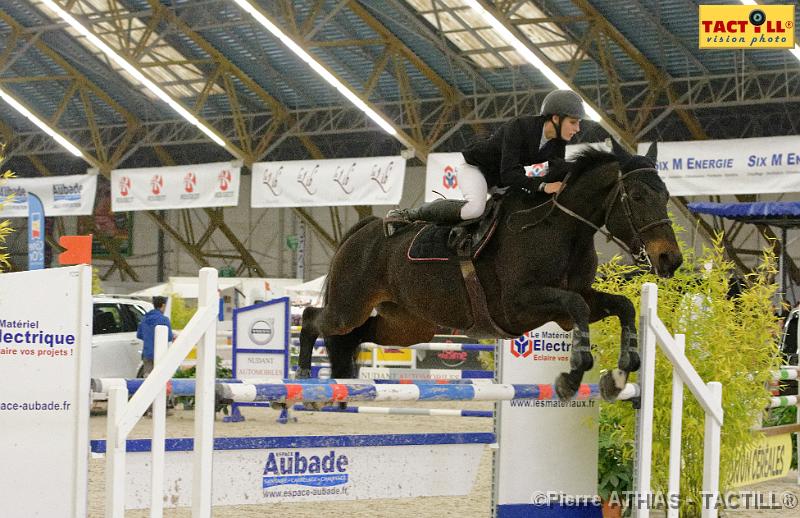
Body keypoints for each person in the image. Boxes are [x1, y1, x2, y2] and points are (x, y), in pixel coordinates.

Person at [388, 89, 585, 226]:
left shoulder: (558, 141)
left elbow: (557, 168)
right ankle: (414, 214)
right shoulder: (518, 127)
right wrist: (542, 186)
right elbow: (510, 174)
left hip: (499, 179)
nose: (578, 129)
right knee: (475, 209)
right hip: (476, 169)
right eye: (574, 122)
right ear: (556, 119)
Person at [137, 296, 175, 416]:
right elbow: (168, 337)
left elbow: (139, 335)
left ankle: (147, 408)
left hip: (147, 353)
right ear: (162, 305)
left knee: (148, 381)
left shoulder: (144, 318)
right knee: (160, 381)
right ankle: (159, 409)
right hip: (161, 355)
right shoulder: (164, 320)